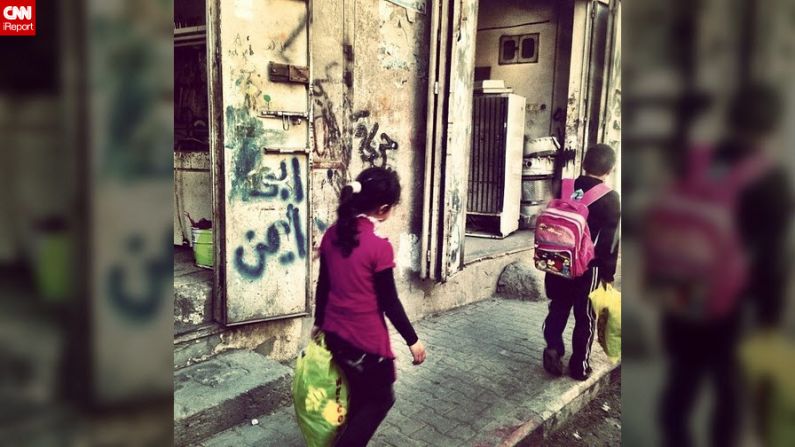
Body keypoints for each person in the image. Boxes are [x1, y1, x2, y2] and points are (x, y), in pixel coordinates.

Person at [657, 84, 792, 447]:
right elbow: (771, 261)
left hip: (680, 290)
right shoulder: (769, 179)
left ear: (730, 119)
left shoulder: (694, 159)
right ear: (771, 127)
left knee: (682, 379)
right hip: (729, 306)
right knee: (728, 389)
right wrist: (768, 320)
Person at [312, 167, 427, 446]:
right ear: (384, 208)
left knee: (360, 398)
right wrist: (413, 340)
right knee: (380, 400)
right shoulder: (379, 247)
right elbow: (389, 302)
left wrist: (318, 323)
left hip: (335, 336)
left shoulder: (331, 235)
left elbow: (323, 285)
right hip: (366, 344)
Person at [542, 144, 621, 381]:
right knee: (585, 317)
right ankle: (579, 366)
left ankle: (553, 348)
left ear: (584, 164)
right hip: (589, 267)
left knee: (557, 307)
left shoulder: (564, 186)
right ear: (610, 169)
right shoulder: (610, 198)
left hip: (557, 262)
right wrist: (608, 275)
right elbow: (610, 242)